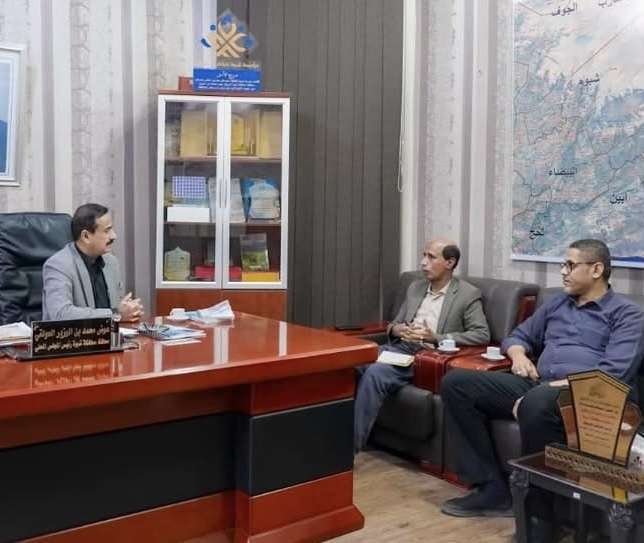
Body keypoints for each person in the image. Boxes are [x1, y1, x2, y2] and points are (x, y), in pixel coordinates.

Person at [441, 239, 644, 523]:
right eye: (563, 264)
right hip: (541, 385)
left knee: (536, 402)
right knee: (457, 384)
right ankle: (492, 489)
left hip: (590, 398)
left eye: (570, 265)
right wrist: (518, 356)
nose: (563, 271)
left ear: (597, 269)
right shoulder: (557, 304)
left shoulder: (628, 314)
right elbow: (518, 336)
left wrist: (542, 392)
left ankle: (540, 515)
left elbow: (610, 375)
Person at [354, 238, 490, 452]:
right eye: (423, 255)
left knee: (375, 373)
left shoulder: (467, 294)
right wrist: (398, 330)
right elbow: (394, 324)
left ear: (450, 262)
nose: (423, 262)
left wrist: (435, 337)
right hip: (400, 348)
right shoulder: (415, 287)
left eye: (431, 257)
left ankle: (349, 449)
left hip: (425, 357)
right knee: (352, 363)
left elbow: (481, 334)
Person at [42, 203, 144, 322]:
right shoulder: (58, 265)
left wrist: (130, 311)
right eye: (107, 231)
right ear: (86, 236)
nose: (114, 236)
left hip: (111, 333)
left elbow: (118, 308)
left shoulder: (111, 262)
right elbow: (60, 314)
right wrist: (115, 314)